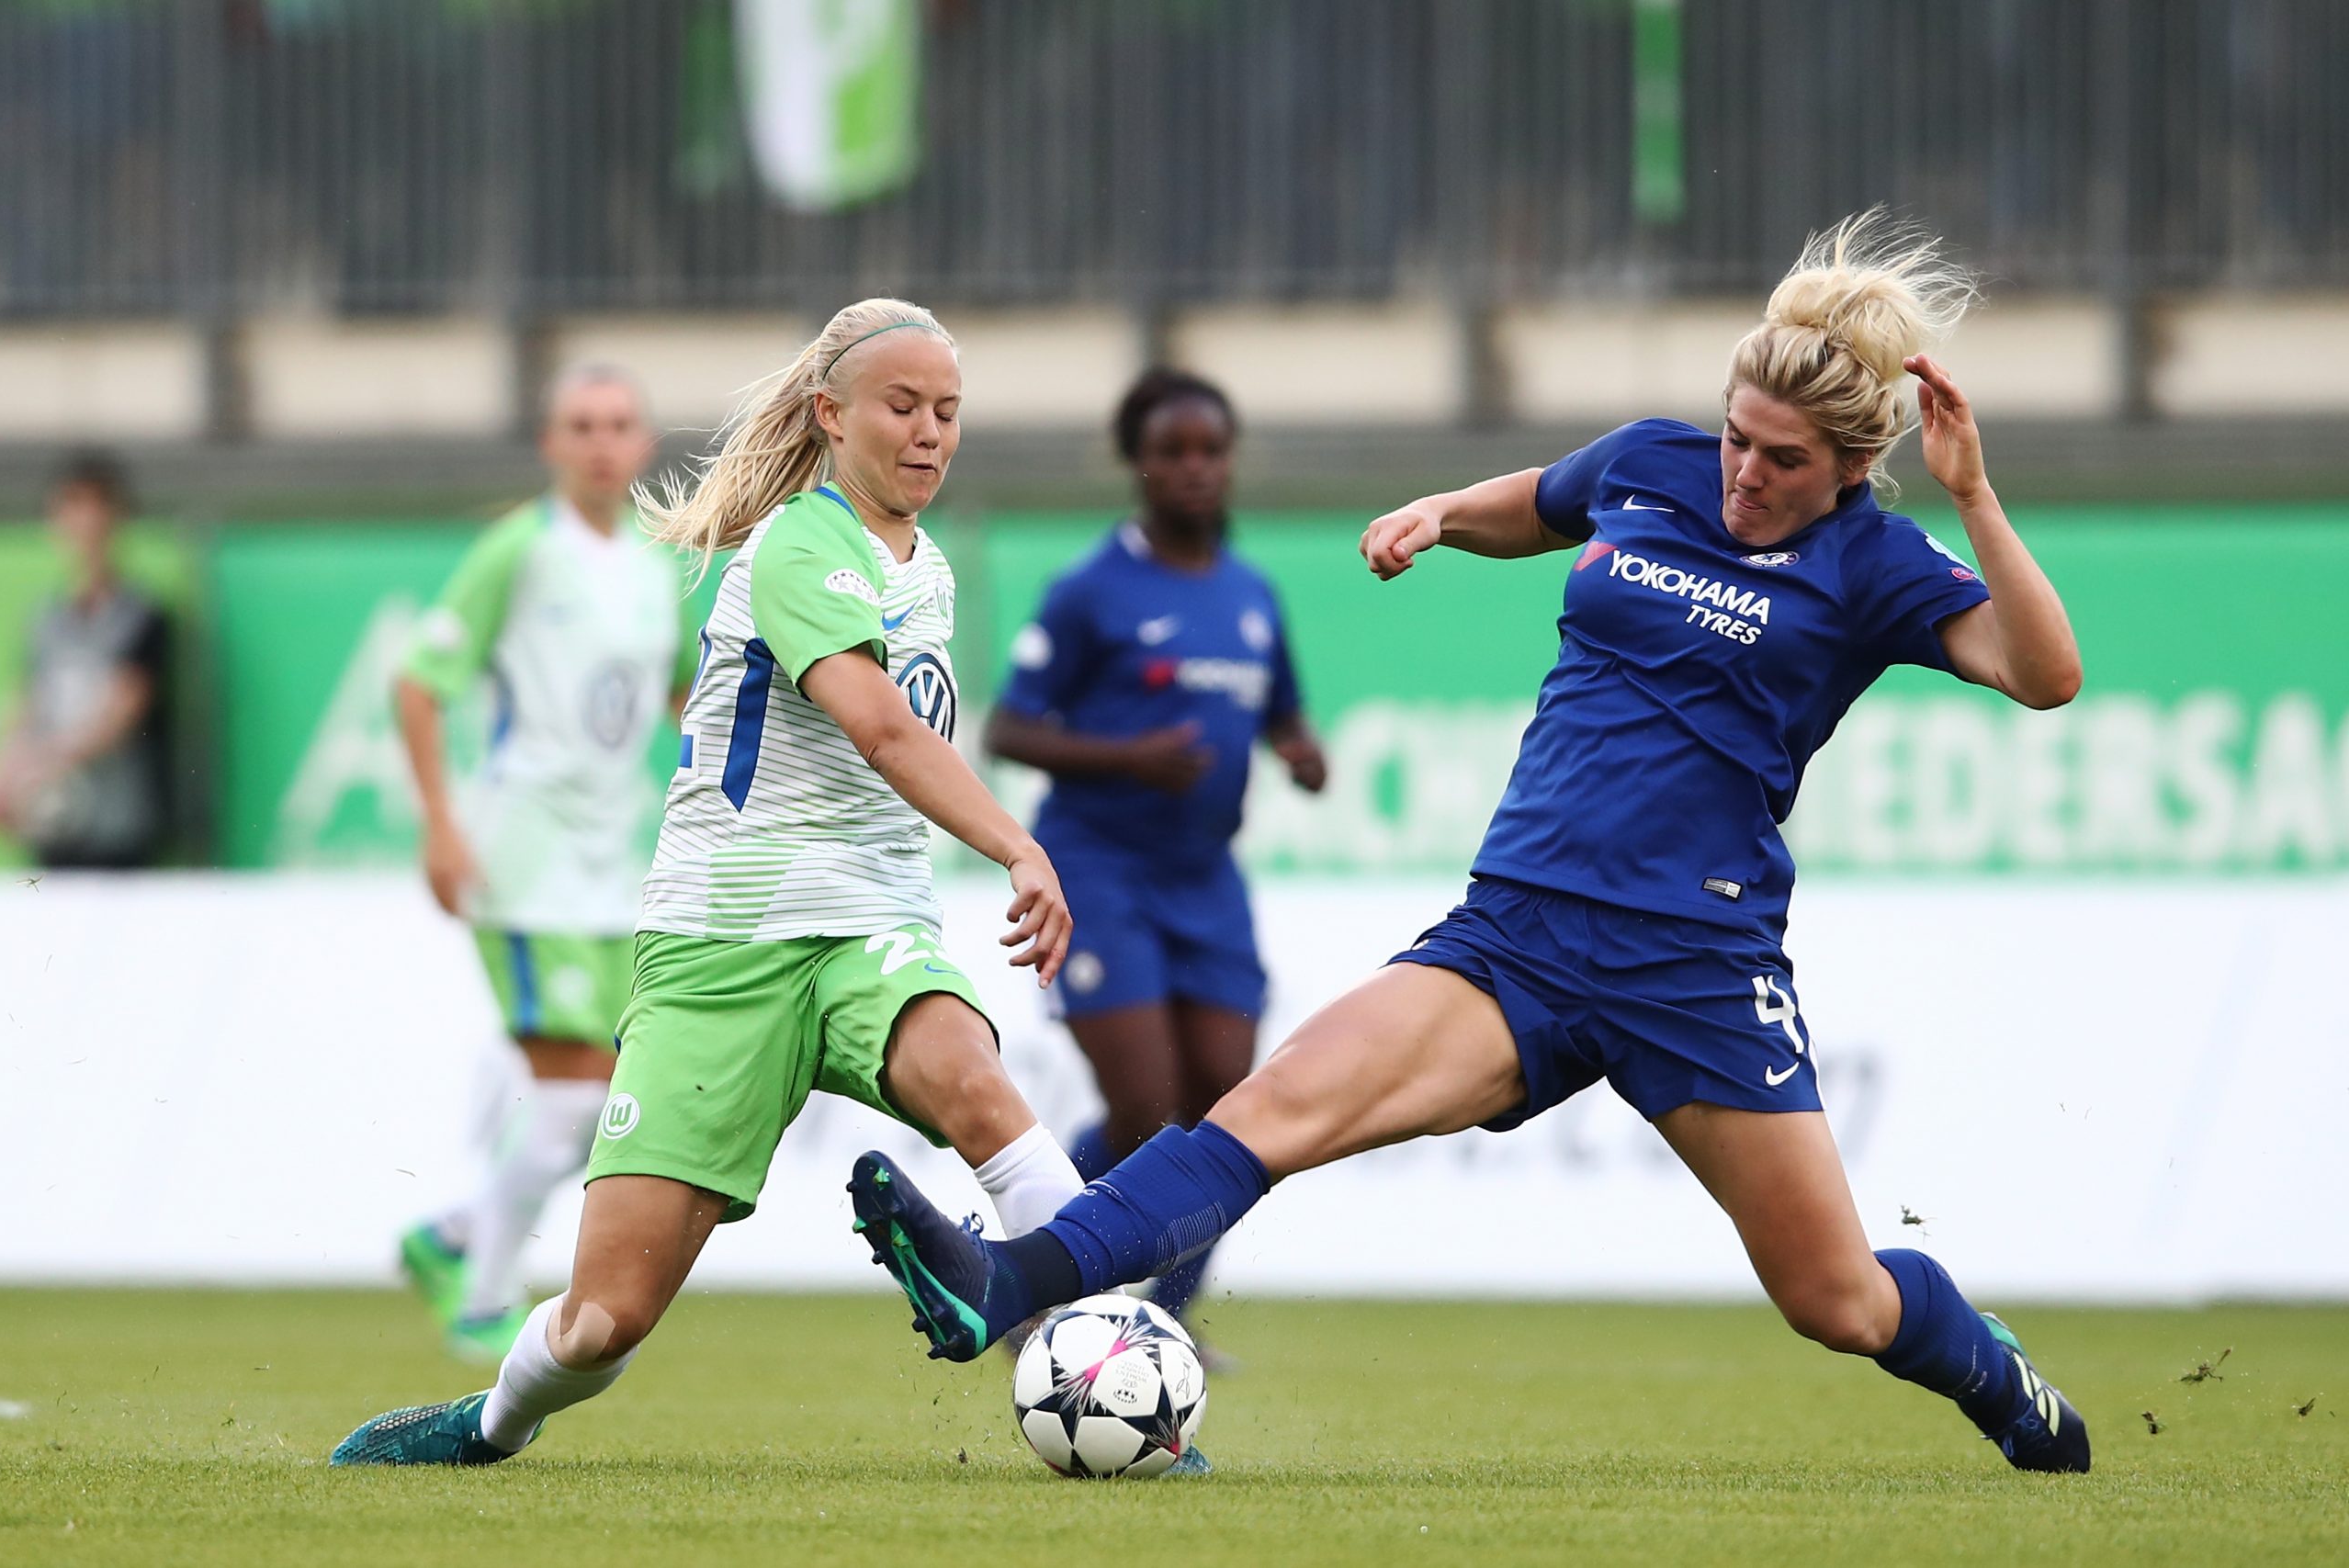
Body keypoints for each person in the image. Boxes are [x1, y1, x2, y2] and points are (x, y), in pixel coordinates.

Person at [848, 213, 2098, 1474]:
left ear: (1847, 467)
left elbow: (2044, 673)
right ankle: (1007, 1283)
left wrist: (1975, 493)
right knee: (1269, 1109)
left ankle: (1993, 1372)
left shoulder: (1877, 559)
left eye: (1781, 460)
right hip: (1517, 931)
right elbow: (1541, 506)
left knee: (1838, 1300)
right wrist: (1443, 511)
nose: (1743, 475)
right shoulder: (1653, 464)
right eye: (1735, 436)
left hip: (1695, 962)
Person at [331, 299, 1090, 1468]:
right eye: (902, 406)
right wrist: (1018, 845)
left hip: (868, 926)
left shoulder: (923, 565)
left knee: (977, 1088)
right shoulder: (797, 544)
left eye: (947, 411)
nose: (931, 432)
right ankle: (489, 1422)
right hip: (720, 947)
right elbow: (884, 730)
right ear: (830, 417)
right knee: (601, 1327)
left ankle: (1092, 1369)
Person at [986, 368, 1325, 1347]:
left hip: (1205, 881)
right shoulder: (1093, 589)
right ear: (1137, 463)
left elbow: (1281, 712)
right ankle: (1035, 1279)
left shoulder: (1250, 593)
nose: (1193, 469)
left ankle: (1158, 1327)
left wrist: (1297, 750)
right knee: (1144, 1109)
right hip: (1099, 870)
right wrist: (1128, 756)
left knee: (1227, 1117)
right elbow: (1009, 728)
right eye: (1171, 451)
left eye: (1209, 450)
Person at [390, 366, 698, 1362]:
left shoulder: (658, 564)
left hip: (616, 870)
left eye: (619, 425)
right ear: (551, 444)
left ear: (645, 445)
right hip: (523, 859)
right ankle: (479, 1292)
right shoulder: (517, 551)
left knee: (610, 1105)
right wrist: (443, 824)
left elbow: (681, 700)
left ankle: (454, 1234)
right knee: (574, 1098)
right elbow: (419, 682)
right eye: (581, 426)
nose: (602, 443)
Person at [0, 452, 168, 870]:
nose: (85, 523)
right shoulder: (48, 620)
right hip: (55, 823)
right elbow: (33, 702)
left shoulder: (142, 617)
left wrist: (47, 759)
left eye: (96, 506)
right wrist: (10, 770)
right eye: (72, 506)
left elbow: (123, 708)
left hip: (119, 828)